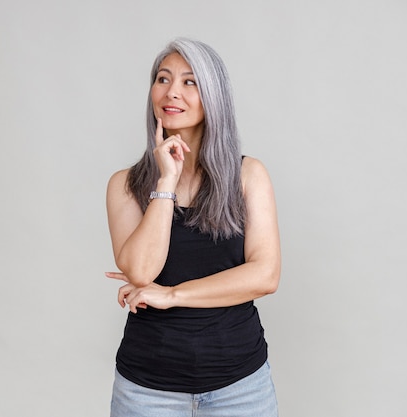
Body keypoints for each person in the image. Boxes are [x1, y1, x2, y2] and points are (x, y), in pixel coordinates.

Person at [105, 37, 281, 417]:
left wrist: (172, 295)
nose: (172, 92)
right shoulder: (125, 185)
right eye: (163, 79)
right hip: (146, 391)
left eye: (190, 82)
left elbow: (265, 275)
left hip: (240, 387)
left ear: (213, 96)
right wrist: (165, 182)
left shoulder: (248, 176)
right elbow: (140, 270)